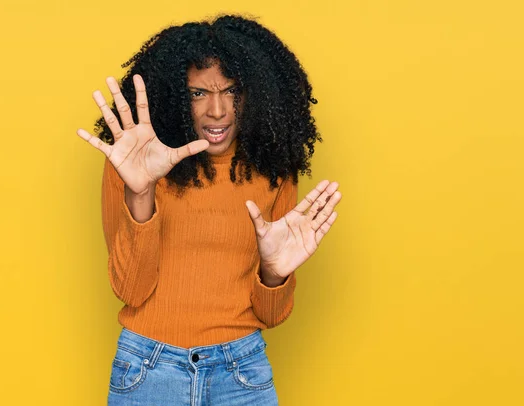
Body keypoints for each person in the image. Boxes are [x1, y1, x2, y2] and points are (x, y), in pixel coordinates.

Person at [76, 13, 342, 405]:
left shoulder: (272, 169)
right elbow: (130, 290)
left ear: (254, 92)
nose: (217, 111)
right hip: (149, 369)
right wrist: (141, 192)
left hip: (241, 371)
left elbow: (272, 315)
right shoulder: (134, 163)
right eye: (197, 93)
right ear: (174, 99)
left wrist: (273, 273)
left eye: (231, 90)